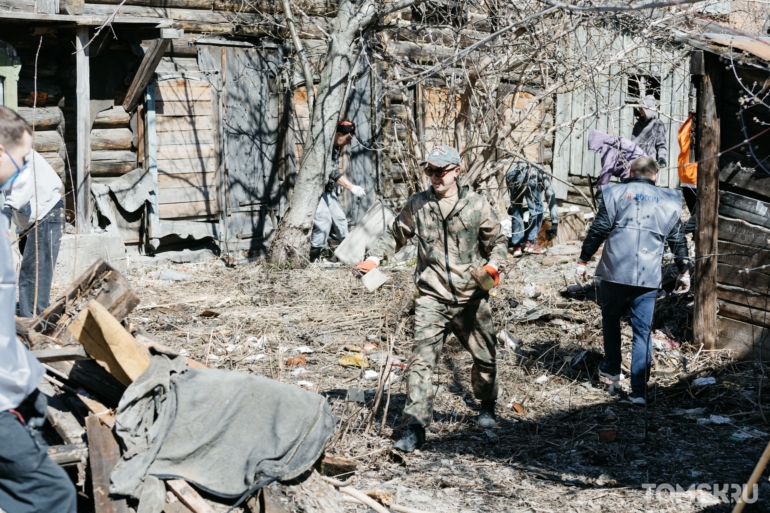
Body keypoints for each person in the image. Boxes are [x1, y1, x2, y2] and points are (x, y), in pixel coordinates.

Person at [354, 145, 507, 452]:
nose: (435, 177)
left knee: (485, 359)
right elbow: (396, 234)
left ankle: (487, 403)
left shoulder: (476, 205)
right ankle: (414, 426)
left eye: (441, 171)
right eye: (430, 171)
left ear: (457, 172)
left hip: (471, 297)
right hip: (431, 296)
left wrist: (493, 265)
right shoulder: (419, 204)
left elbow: (498, 241)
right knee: (421, 362)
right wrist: (374, 259)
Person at [0, 105, 77, 513]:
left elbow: (16, 203)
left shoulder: (23, 166)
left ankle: (34, 317)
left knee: (35, 275)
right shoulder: (12, 161)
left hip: (46, 211)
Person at [575, 156, 691, 405]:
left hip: (614, 272)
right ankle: (639, 392)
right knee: (642, 332)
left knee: (611, 318)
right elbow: (678, 240)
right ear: (655, 176)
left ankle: (613, 374)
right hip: (647, 276)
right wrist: (684, 270)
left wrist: (583, 260)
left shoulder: (615, 193)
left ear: (629, 172)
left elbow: (599, 229)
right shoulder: (669, 200)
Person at [3, 149, 64, 317]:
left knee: (32, 274)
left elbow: (24, 187)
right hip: (30, 221)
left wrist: (7, 211)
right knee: (31, 275)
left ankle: (34, 323)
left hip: (47, 214)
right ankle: (34, 316)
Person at [309, 120, 366, 262]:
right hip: (316, 192)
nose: (348, 142)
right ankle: (312, 259)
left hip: (328, 191)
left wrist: (335, 184)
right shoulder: (324, 146)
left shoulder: (337, 145)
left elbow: (333, 169)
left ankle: (344, 256)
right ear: (338, 134)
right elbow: (330, 170)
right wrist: (351, 187)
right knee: (324, 221)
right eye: (347, 139)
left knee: (341, 221)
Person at [506, 161, 559, 257]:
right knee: (537, 209)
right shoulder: (544, 174)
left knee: (516, 209)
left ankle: (516, 247)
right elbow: (550, 196)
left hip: (511, 172)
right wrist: (555, 222)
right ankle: (531, 243)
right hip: (529, 174)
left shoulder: (523, 166)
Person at [631, 95, 668, 169]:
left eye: (643, 109)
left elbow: (661, 145)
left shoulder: (657, 124)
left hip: (649, 166)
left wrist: (661, 157)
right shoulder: (637, 125)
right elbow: (632, 145)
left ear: (648, 109)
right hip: (636, 163)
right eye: (639, 108)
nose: (640, 111)